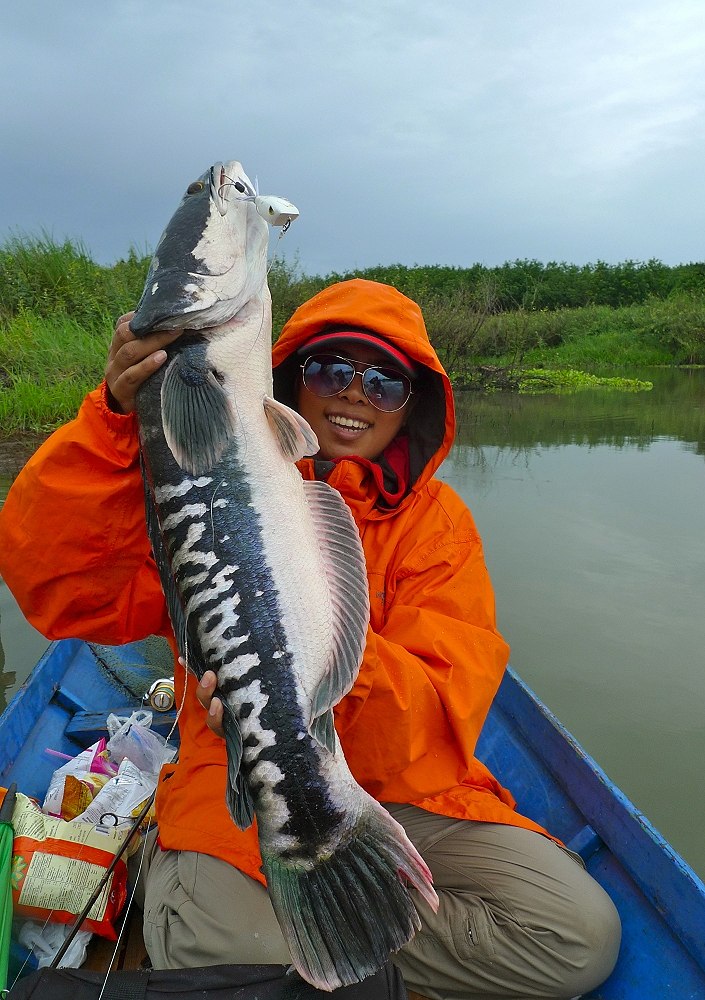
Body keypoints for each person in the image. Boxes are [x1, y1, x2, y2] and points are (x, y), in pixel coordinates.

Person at [0, 278, 620, 999]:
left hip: (402, 791)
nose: (356, 394)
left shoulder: (438, 525)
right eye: (333, 371)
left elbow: (438, 707)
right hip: (233, 779)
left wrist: (284, 669)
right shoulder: (199, 485)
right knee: (228, 951)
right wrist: (113, 417)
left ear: (411, 406)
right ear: (290, 380)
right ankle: (318, 944)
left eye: (385, 382)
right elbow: (60, 585)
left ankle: (340, 945)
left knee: (577, 936)